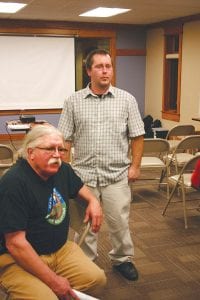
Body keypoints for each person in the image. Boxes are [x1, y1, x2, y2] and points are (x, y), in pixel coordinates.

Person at [58, 49, 145, 281]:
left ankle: (122, 259)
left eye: (109, 66)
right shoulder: (73, 101)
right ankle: (86, 262)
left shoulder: (127, 100)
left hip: (117, 175)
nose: (105, 71)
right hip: (83, 176)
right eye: (99, 66)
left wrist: (135, 166)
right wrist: (64, 173)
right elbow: (64, 139)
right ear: (89, 71)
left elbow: (137, 136)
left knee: (119, 222)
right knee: (85, 224)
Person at [0, 125, 106, 300]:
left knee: (97, 280)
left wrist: (93, 201)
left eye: (61, 149)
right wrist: (54, 281)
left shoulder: (62, 169)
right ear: (31, 152)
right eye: (50, 149)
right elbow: (15, 244)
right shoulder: (14, 183)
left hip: (60, 249)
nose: (57, 155)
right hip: (17, 258)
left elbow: (80, 187)